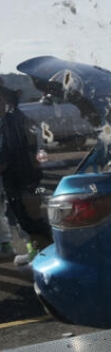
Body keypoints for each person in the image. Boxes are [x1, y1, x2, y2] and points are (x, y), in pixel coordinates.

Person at [0, 84, 52, 258]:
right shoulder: (11, 119)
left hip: (22, 175)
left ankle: (46, 253)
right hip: (20, 175)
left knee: (29, 218)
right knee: (24, 217)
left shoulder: (11, 121)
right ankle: (39, 252)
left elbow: (9, 150)